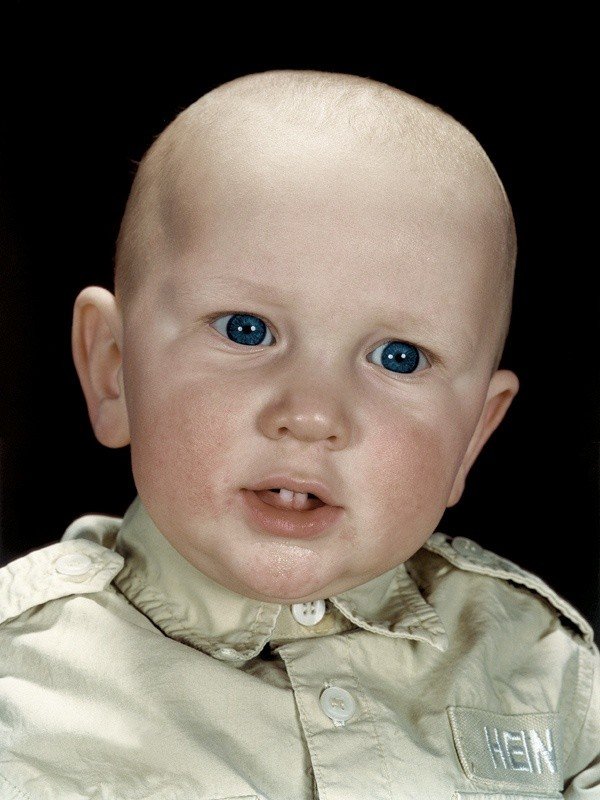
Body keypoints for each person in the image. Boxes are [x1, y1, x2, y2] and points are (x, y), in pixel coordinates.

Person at [0, 69, 597, 800]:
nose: (313, 413)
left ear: (472, 434)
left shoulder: (548, 674)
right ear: (115, 370)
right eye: (246, 330)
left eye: (398, 357)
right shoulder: (19, 682)